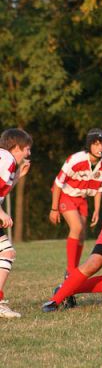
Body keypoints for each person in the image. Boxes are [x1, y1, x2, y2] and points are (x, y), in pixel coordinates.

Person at [49, 128, 102, 276]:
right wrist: (54, 209)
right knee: (76, 227)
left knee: (82, 235)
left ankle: (73, 271)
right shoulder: (76, 159)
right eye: (95, 144)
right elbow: (58, 183)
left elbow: (100, 188)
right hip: (66, 195)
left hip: (82, 199)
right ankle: (71, 271)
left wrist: (96, 210)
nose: (100, 147)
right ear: (89, 145)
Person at [0, 129, 32, 318]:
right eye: (27, 149)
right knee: (7, 252)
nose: (29, 153)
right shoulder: (7, 159)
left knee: (7, 252)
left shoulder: (5, 160)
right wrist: (2, 213)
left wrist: (19, 175)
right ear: (16, 147)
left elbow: (2, 190)